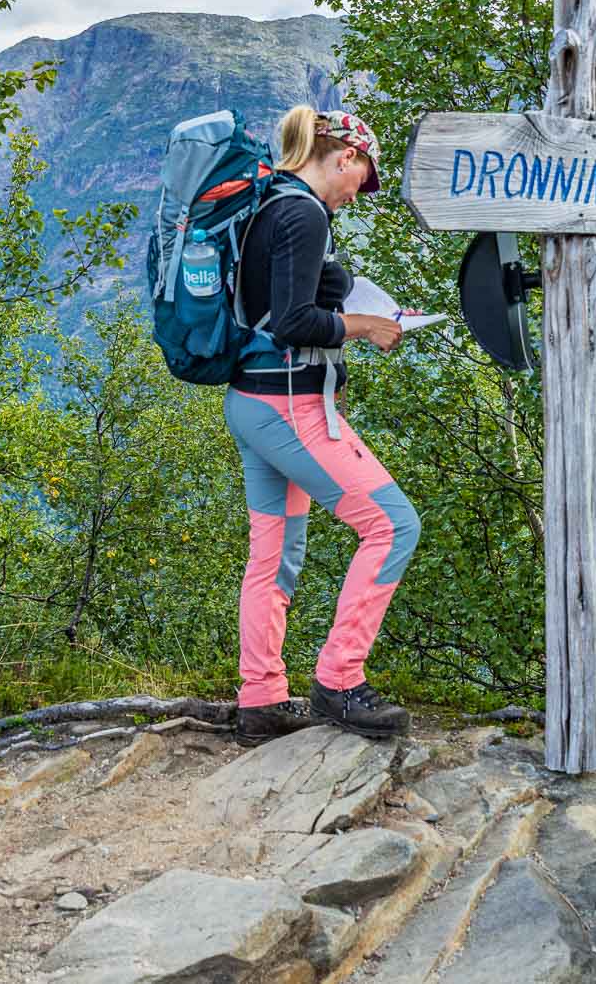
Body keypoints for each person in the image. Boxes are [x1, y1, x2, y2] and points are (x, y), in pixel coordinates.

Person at [226, 105, 421, 746]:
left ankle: (261, 699)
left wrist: (354, 304)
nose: (356, 193)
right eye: (359, 178)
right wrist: (366, 327)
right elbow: (291, 322)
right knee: (393, 524)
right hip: (291, 406)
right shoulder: (305, 211)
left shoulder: (267, 203)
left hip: (251, 402)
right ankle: (339, 682)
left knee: (274, 555)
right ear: (345, 157)